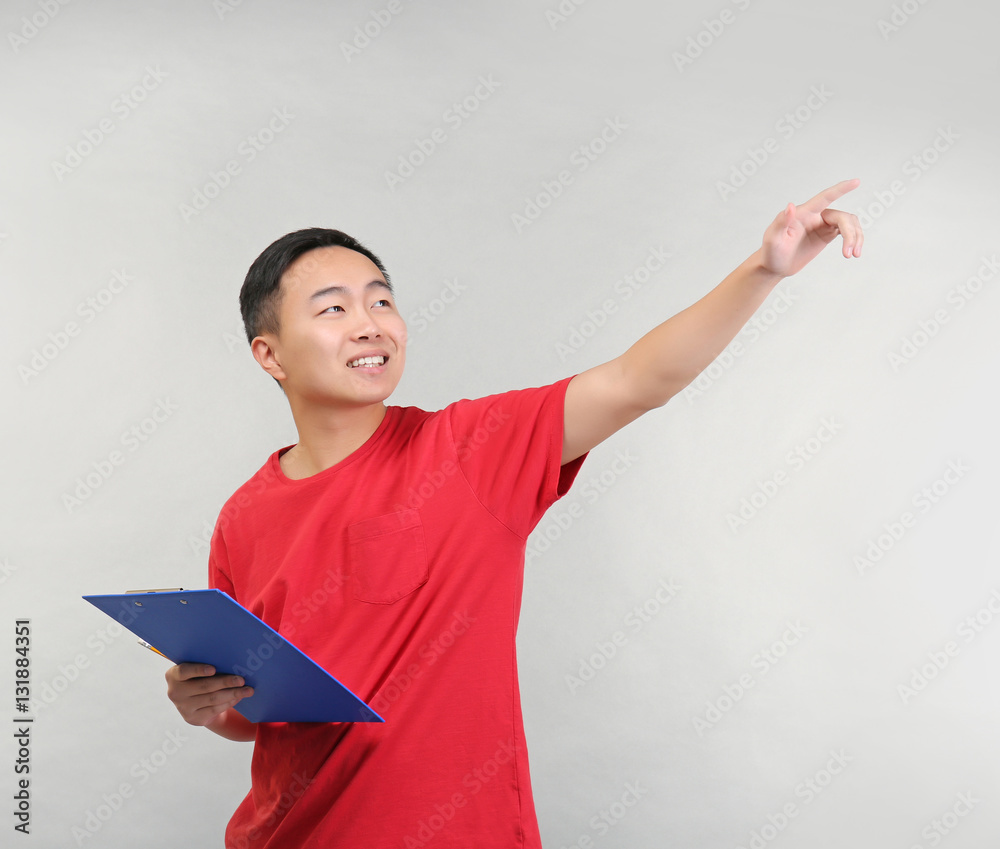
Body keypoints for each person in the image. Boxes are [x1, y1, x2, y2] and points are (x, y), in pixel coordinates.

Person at [165, 179, 864, 848]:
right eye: (333, 310)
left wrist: (762, 270)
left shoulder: (470, 449)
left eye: (380, 300)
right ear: (270, 354)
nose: (370, 325)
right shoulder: (243, 516)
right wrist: (209, 704)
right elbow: (253, 710)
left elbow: (637, 380)